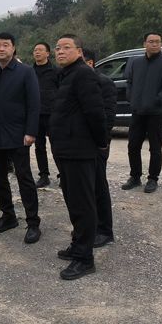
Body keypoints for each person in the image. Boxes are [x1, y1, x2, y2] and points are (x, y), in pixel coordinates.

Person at [0, 32, 42, 244]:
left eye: (6, 45)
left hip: (18, 135)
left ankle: (33, 222)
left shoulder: (26, 72)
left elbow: (34, 104)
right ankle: (8, 216)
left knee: (24, 178)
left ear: (13, 48)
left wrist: (31, 132)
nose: (1, 48)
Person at [50, 35, 107, 280]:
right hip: (65, 149)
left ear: (79, 51)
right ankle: (77, 245)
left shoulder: (84, 74)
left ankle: (85, 258)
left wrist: (101, 143)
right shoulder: (65, 74)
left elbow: (95, 112)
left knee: (83, 204)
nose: (60, 51)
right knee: (73, 201)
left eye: (66, 47)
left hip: (80, 150)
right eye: (57, 48)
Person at [122, 32, 162, 193]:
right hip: (137, 111)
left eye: (158, 41)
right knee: (133, 146)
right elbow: (130, 82)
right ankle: (135, 176)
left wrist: (156, 100)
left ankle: (153, 179)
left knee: (155, 148)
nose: (155, 44)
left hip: (156, 113)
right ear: (144, 43)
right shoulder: (136, 62)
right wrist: (131, 98)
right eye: (151, 41)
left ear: (161, 44)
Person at [83, 48, 117, 247]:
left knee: (98, 185)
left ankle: (105, 230)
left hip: (97, 144)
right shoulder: (75, 81)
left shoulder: (104, 82)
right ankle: (91, 226)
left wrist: (102, 142)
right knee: (86, 188)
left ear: (90, 63)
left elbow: (108, 117)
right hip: (80, 144)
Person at [32, 42, 58, 188]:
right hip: (36, 114)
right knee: (39, 146)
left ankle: (63, 174)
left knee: (56, 145)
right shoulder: (29, 72)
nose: (37, 52)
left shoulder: (56, 71)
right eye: (35, 50)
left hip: (53, 114)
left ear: (48, 53)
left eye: (40, 50)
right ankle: (44, 175)